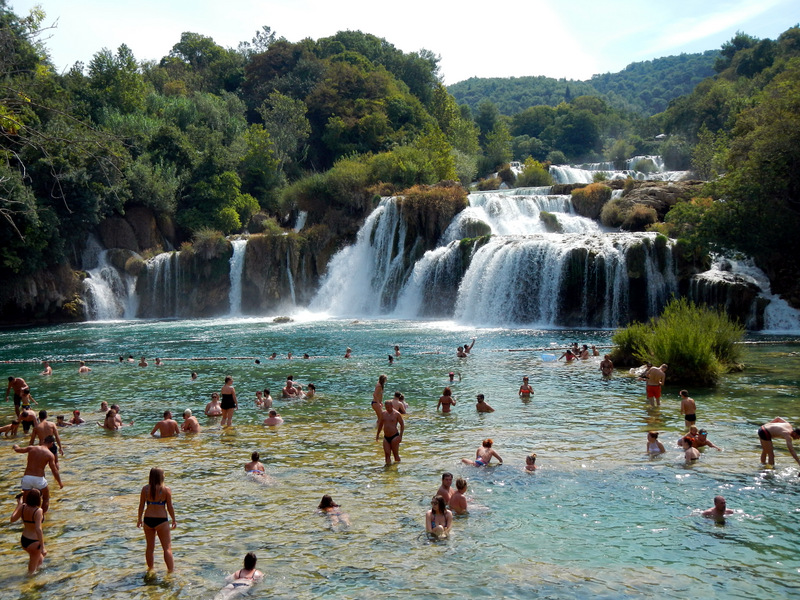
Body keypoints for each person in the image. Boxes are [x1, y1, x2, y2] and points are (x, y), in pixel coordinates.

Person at [136, 467, 176, 572]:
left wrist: (139, 519)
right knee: (167, 548)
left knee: (150, 548)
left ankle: (150, 569)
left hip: (148, 520)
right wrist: (174, 520)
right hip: (161, 520)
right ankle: (171, 571)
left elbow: (141, 506)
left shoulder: (145, 489)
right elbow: (170, 507)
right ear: (160, 477)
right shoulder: (166, 490)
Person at [13, 442, 63, 513]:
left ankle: (24, 516)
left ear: (43, 441)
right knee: (46, 498)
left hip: (27, 478)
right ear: (51, 444)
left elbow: (18, 450)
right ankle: (40, 516)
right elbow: (54, 470)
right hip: (39, 479)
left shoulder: (31, 448)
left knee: (25, 500)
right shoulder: (50, 454)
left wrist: (15, 446)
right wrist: (60, 483)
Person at [10, 488, 46, 574]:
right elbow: (38, 529)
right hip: (34, 542)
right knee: (31, 570)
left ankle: (38, 576)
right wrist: (43, 546)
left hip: (24, 539)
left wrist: (19, 504)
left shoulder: (23, 507)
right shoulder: (38, 511)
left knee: (40, 560)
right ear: (38, 499)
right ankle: (28, 583)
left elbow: (12, 519)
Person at [376, 400, 404, 465]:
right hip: (386, 437)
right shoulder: (383, 414)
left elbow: (402, 425)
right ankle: (388, 470)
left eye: (389, 407)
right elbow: (380, 425)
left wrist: (400, 436)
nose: (387, 409)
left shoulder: (396, 414)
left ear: (392, 406)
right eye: (386, 407)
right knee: (387, 454)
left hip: (394, 436)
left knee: (395, 454)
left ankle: (397, 468)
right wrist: (377, 434)